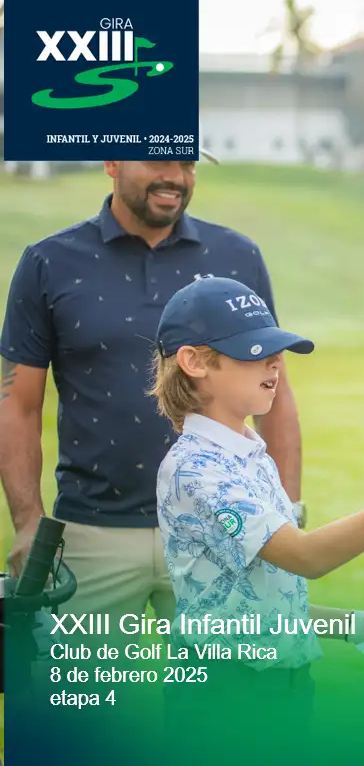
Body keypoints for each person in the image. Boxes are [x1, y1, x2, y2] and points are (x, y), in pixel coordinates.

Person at [151, 276, 364, 761]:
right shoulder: (196, 470)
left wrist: (350, 624)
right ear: (194, 362)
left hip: (284, 686)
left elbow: (256, 597)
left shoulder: (250, 454)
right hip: (226, 693)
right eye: (253, 351)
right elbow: (306, 557)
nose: (275, 362)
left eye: (276, 351)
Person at [0, 155, 304, 649]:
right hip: (92, 533)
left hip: (220, 531)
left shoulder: (237, 256)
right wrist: (29, 523)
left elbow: (277, 390)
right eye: (158, 160)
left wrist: (287, 506)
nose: (175, 178)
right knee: (82, 696)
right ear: (112, 162)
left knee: (227, 690)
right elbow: (17, 403)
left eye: (187, 164)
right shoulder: (49, 262)